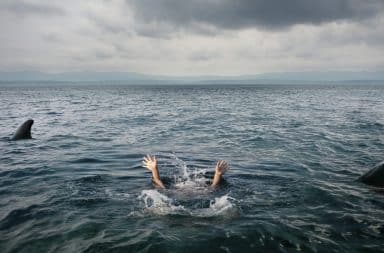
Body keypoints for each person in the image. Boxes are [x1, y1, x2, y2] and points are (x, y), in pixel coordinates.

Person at [142, 155, 229, 189]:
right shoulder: (202, 191)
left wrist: (154, 170)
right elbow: (214, 186)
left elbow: (158, 183)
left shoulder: (173, 191)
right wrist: (217, 174)